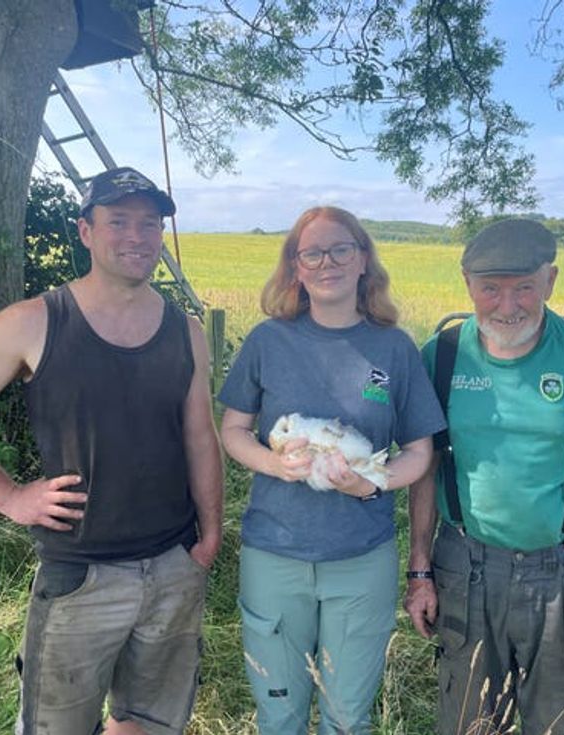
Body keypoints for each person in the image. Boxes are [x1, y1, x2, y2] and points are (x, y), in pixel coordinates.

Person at [0, 167, 223, 735]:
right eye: (119, 221)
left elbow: (201, 435)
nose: (137, 236)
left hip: (174, 565)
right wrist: (9, 496)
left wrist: (208, 538)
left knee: (149, 724)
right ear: (85, 231)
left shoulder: (187, 331)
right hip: (80, 576)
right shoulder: (34, 322)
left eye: (149, 223)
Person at [404, 218, 564, 734]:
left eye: (525, 289)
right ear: (467, 283)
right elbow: (424, 472)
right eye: (491, 289)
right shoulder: (441, 356)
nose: (507, 306)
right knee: (468, 722)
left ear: (551, 281)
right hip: (466, 568)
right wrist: (420, 570)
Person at [218, 206, 446, 735]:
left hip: (360, 559)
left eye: (341, 249)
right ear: (295, 267)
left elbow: (420, 451)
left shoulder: (394, 348)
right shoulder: (268, 341)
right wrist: (276, 464)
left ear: (363, 259)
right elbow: (232, 432)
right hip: (273, 555)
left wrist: (371, 483)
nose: (328, 263)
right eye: (312, 253)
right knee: (279, 715)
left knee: (347, 717)